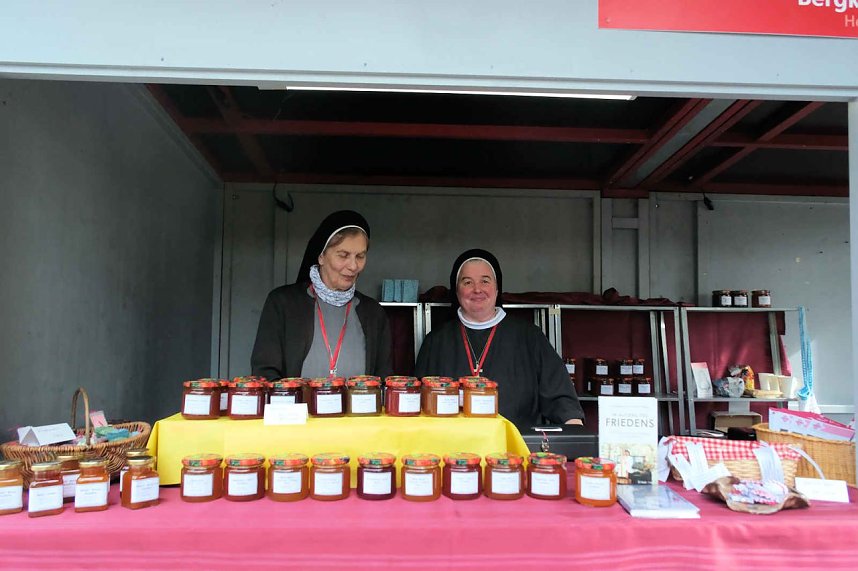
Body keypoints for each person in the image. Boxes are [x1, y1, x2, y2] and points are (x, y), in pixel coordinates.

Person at [414, 249, 584, 429]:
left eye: (485, 281)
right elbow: (417, 401)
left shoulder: (528, 336)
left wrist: (574, 427)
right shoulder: (436, 341)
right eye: (467, 282)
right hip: (453, 451)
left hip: (515, 448)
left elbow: (560, 396)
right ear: (457, 291)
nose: (477, 289)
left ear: (497, 288)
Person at [251, 210, 392, 380]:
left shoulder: (373, 313)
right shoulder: (283, 303)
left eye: (360, 256)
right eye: (343, 255)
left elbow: (384, 379)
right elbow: (265, 373)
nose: (353, 266)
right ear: (321, 256)